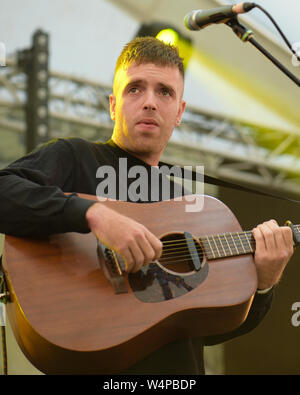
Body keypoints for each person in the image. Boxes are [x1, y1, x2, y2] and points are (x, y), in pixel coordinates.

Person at [0, 36, 294, 374]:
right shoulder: (73, 157)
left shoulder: (190, 205)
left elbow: (214, 325)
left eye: (165, 92)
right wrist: (94, 215)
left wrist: (264, 283)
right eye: (135, 88)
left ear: (180, 112)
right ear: (113, 104)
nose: (150, 102)